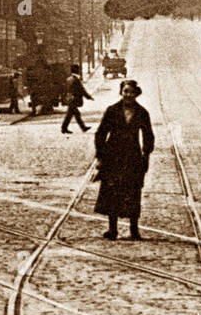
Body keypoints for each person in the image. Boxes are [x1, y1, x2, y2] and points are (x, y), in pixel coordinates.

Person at [94, 79, 155, 240]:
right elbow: (101, 134)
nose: (128, 95)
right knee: (112, 192)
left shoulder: (142, 112)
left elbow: (148, 135)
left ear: (136, 93)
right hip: (112, 157)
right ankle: (112, 229)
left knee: (133, 191)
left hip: (133, 157)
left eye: (131, 92)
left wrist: (146, 155)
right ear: (121, 92)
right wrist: (100, 156)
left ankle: (134, 230)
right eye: (125, 91)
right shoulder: (112, 110)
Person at [62, 64, 92, 134]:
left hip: (69, 99)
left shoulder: (68, 79)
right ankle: (65, 128)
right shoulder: (76, 80)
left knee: (72, 114)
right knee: (73, 114)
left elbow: (65, 90)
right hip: (74, 99)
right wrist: (88, 97)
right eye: (78, 69)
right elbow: (81, 90)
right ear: (76, 70)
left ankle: (65, 128)